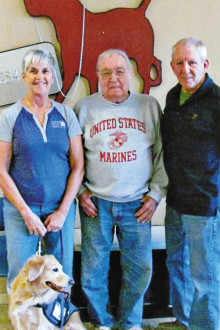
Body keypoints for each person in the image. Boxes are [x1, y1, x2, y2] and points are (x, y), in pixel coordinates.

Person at [74, 49, 168, 329]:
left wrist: (155, 194)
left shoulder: (149, 106)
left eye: (119, 71)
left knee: (140, 270)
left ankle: (129, 323)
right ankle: (102, 323)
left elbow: (163, 154)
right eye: (106, 72)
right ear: (97, 76)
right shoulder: (83, 108)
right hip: (96, 204)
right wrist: (81, 191)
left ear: (131, 74)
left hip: (138, 204)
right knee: (92, 272)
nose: (113, 78)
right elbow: (72, 157)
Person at [0, 49, 84, 291]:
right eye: (33, 71)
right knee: (21, 276)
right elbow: (1, 170)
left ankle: (55, 324)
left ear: (53, 76)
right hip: (21, 212)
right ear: (24, 76)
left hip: (60, 210)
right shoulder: (11, 116)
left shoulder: (66, 114)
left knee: (60, 275)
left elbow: (78, 167)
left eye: (45, 71)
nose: (40, 76)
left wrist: (63, 211)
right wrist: (26, 213)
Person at [160, 38, 220, 330]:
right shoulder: (172, 98)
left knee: (204, 277)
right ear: (172, 66)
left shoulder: (217, 102)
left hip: (204, 206)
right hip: (175, 204)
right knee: (177, 267)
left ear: (205, 65)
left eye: (192, 62)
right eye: (180, 63)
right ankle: (183, 322)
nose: (186, 69)